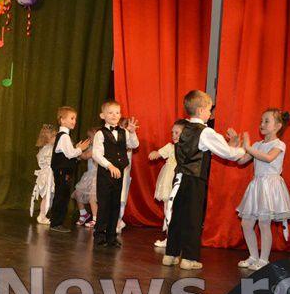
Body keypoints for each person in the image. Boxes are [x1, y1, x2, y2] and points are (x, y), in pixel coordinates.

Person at [162, 90, 245, 270]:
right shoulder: (205, 132)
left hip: (180, 177)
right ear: (200, 110)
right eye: (208, 110)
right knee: (193, 217)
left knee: (178, 216)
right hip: (194, 179)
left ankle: (171, 254)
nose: (210, 113)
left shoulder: (184, 128)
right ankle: (189, 258)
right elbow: (227, 153)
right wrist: (242, 150)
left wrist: (230, 146)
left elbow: (204, 149)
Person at [236, 109, 290, 270]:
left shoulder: (279, 144)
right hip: (257, 186)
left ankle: (263, 260)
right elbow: (241, 161)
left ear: (278, 126)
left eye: (266, 121)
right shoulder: (257, 145)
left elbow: (268, 158)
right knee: (246, 223)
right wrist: (236, 145)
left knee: (264, 223)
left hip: (270, 187)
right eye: (261, 121)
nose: (262, 124)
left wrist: (248, 147)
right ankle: (253, 256)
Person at [92, 100, 139, 247]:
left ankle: (111, 236)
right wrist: (109, 165)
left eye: (117, 113)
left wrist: (132, 132)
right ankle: (99, 235)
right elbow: (96, 154)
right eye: (110, 113)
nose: (114, 115)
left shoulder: (124, 132)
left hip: (119, 174)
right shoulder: (100, 133)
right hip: (105, 174)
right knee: (104, 204)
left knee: (115, 204)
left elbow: (134, 145)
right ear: (103, 115)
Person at [148, 119, 189, 247]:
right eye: (173, 133)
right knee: (168, 209)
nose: (174, 136)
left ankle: (178, 238)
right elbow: (158, 153)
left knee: (180, 210)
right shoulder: (170, 147)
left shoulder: (189, 149)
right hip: (169, 181)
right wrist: (155, 153)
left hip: (181, 180)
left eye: (177, 133)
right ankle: (169, 238)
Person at [49, 106, 90, 232]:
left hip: (62, 171)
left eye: (75, 119)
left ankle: (56, 222)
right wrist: (80, 149)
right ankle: (56, 223)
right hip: (63, 171)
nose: (74, 121)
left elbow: (69, 153)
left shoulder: (63, 136)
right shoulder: (64, 137)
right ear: (62, 120)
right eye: (71, 118)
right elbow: (70, 154)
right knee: (62, 196)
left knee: (62, 196)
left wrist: (76, 149)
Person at [30, 124, 57, 225]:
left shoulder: (46, 148)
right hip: (47, 175)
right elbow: (50, 162)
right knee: (47, 196)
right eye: (54, 136)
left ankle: (44, 214)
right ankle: (42, 215)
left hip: (47, 174)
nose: (56, 138)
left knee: (49, 196)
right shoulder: (48, 149)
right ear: (48, 138)